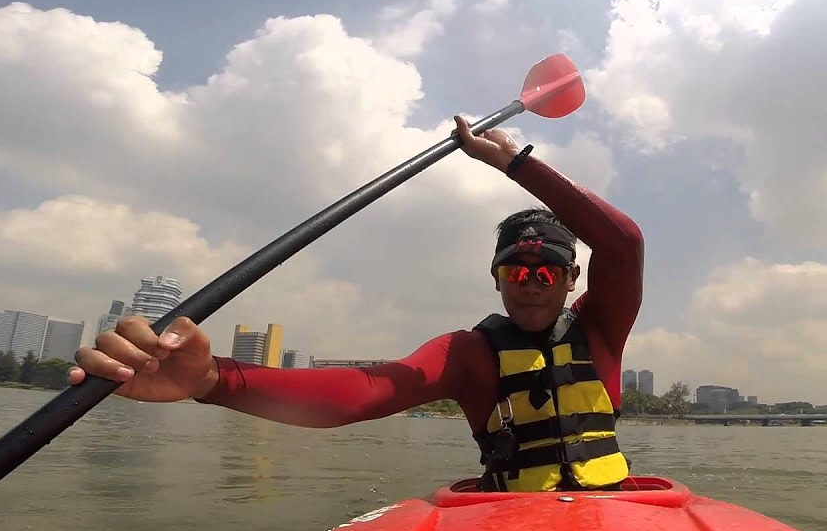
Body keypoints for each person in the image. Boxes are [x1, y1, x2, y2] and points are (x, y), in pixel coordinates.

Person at [69, 115, 645, 492]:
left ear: (572, 279)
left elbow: (623, 245)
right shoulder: (467, 353)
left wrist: (514, 162)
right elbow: (364, 392)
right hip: (511, 523)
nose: (532, 281)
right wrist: (213, 381)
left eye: (548, 271)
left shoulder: (600, 328)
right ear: (496, 279)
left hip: (614, 512)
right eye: (517, 269)